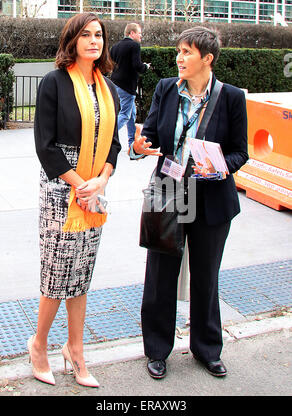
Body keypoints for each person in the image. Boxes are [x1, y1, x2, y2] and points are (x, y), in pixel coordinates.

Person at [131, 27, 248, 379]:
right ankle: (156, 349)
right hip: (169, 190)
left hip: (211, 197)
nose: (179, 58)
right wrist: (140, 146)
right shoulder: (167, 88)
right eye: (178, 51)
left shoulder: (230, 98)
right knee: (160, 274)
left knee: (205, 275)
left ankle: (207, 349)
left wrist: (220, 166)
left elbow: (241, 151)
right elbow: (149, 134)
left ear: (207, 58)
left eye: (187, 52)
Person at [31, 12, 121, 387]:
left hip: (94, 188)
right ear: (72, 40)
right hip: (60, 186)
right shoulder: (54, 82)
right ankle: (38, 346)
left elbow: (114, 143)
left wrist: (100, 180)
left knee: (81, 272)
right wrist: (79, 182)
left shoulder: (108, 87)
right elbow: (45, 145)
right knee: (57, 273)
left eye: (98, 35)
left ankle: (76, 350)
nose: (93, 40)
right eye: (85, 34)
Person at [110, 22, 150, 148]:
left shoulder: (115, 47)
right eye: (139, 33)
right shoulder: (134, 46)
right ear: (131, 33)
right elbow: (137, 66)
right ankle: (106, 136)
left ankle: (132, 143)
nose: (140, 36)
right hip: (127, 86)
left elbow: (111, 65)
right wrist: (146, 67)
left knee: (131, 114)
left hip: (114, 83)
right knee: (125, 115)